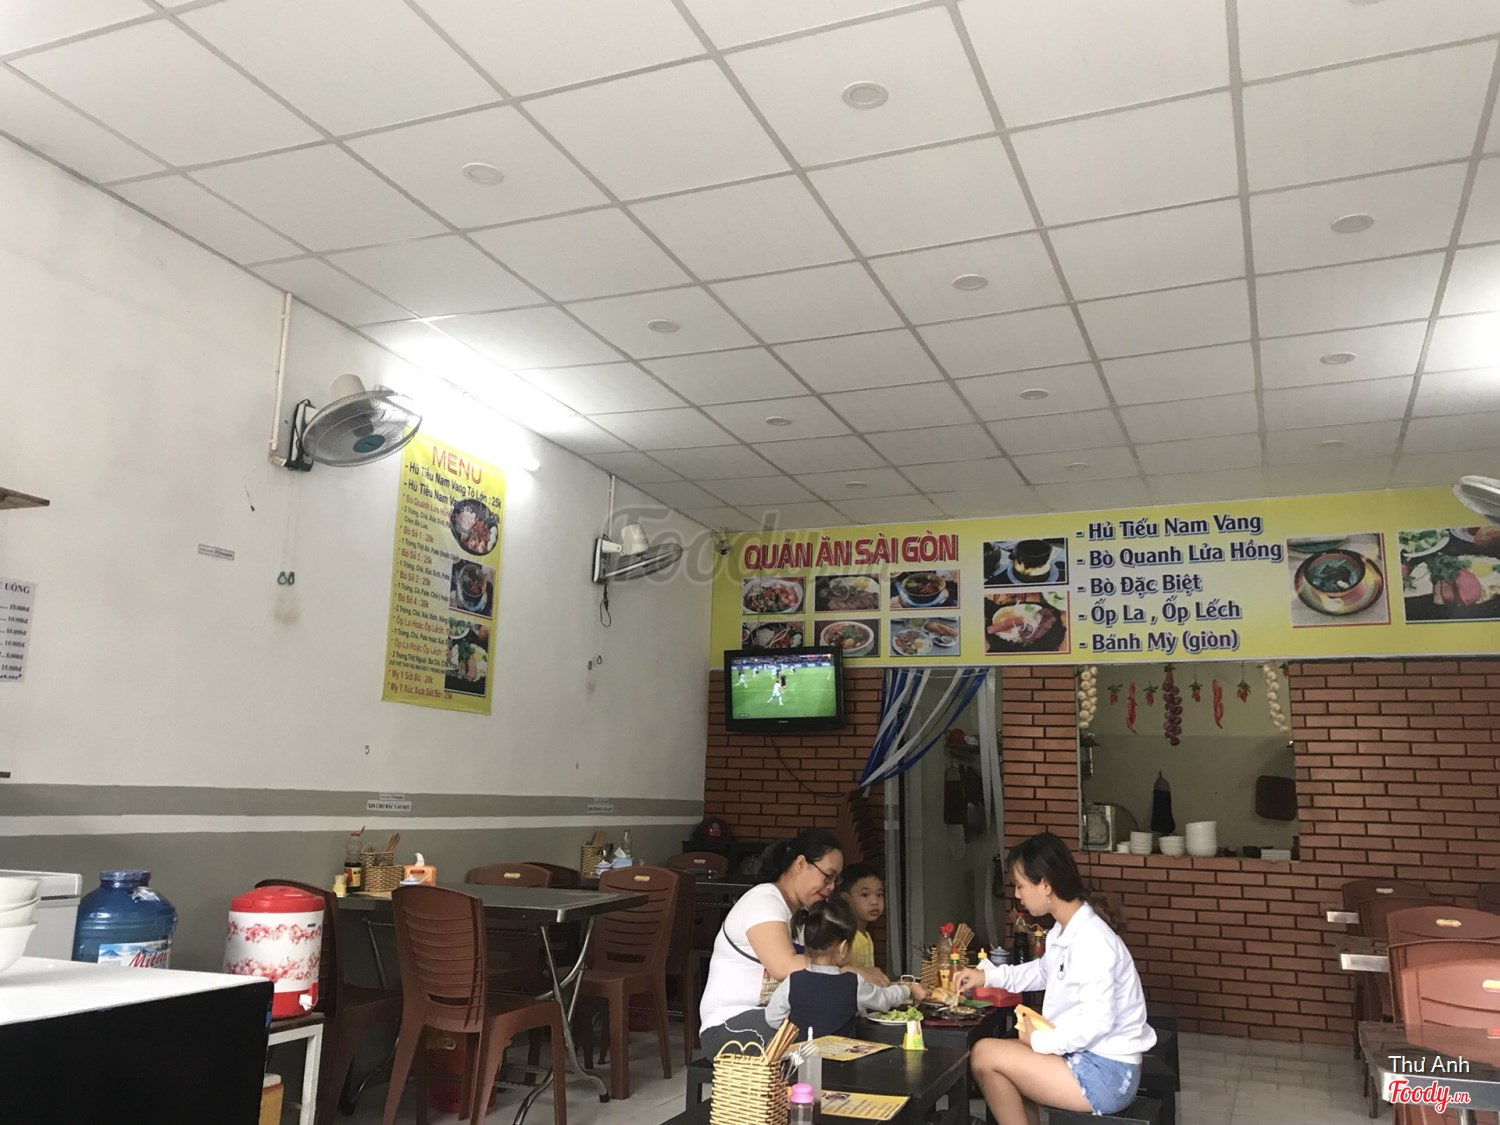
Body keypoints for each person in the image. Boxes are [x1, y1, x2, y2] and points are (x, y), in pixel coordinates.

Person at [953, 833, 1155, 1124]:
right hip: (1086, 1056)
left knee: (986, 1055)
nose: (1018, 895)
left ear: (1045, 885)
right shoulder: (1064, 930)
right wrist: (986, 976)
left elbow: (1097, 1022)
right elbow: (1041, 971)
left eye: (1020, 886)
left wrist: (1040, 1040)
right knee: (1000, 1056)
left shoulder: (1091, 941)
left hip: (1106, 1073)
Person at [699, 829, 884, 1056]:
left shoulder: (805, 913)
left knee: (849, 1026)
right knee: (818, 1034)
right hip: (729, 1026)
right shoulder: (763, 901)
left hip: (779, 1016)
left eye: (836, 880)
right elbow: (784, 966)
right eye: (827, 876)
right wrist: (853, 973)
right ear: (800, 864)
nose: (831, 887)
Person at [764, 897, 924, 1037]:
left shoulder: (793, 981)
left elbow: (772, 1018)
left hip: (800, 1058)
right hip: (842, 1059)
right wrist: (908, 990)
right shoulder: (854, 983)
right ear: (843, 948)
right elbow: (884, 999)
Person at [837, 862, 889, 983]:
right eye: (865, 895)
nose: (874, 902)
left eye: (879, 894)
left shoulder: (867, 937)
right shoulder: (845, 936)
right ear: (846, 899)